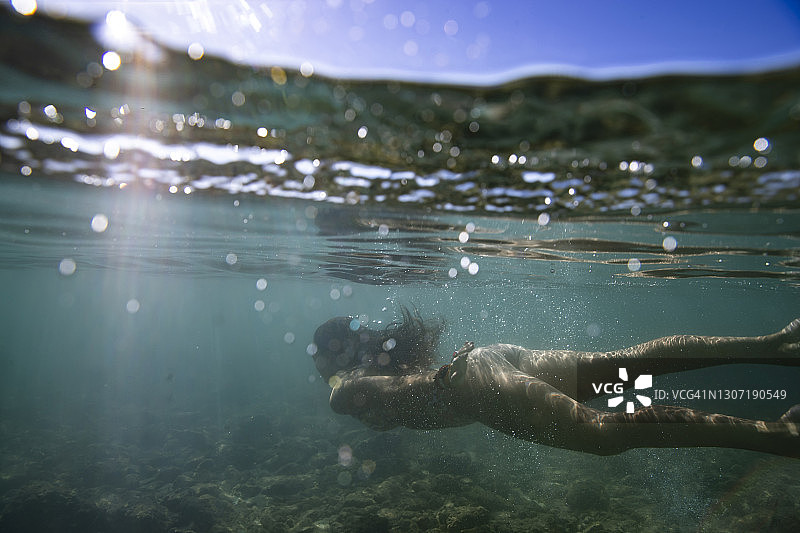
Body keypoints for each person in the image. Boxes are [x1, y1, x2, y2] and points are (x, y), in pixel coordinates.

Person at [312, 310, 800, 458]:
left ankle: (780, 437)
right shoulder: (379, 370)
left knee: (604, 434)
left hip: (470, 386)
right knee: (621, 367)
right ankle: (773, 345)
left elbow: (341, 399)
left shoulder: (352, 383)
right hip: (485, 361)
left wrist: (338, 382)